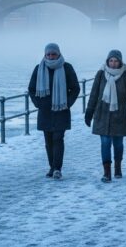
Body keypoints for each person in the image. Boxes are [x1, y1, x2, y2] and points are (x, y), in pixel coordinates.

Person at [84, 50, 126, 183]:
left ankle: (118, 166)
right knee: (105, 143)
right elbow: (94, 94)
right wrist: (89, 112)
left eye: (116, 61)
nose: (113, 64)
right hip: (102, 114)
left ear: (120, 62)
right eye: (111, 61)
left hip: (120, 115)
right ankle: (107, 172)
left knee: (118, 144)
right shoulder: (101, 74)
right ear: (107, 61)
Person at [28, 43, 80, 180]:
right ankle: (51, 166)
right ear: (45, 55)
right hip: (45, 111)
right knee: (48, 140)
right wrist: (38, 103)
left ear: (59, 54)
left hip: (61, 110)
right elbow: (31, 89)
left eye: (53, 54)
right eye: (48, 54)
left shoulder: (67, 68)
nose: (51, 56)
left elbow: (75, 88)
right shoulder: (39, 69)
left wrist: (67, 103)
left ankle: (57, 168)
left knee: (58, 138)